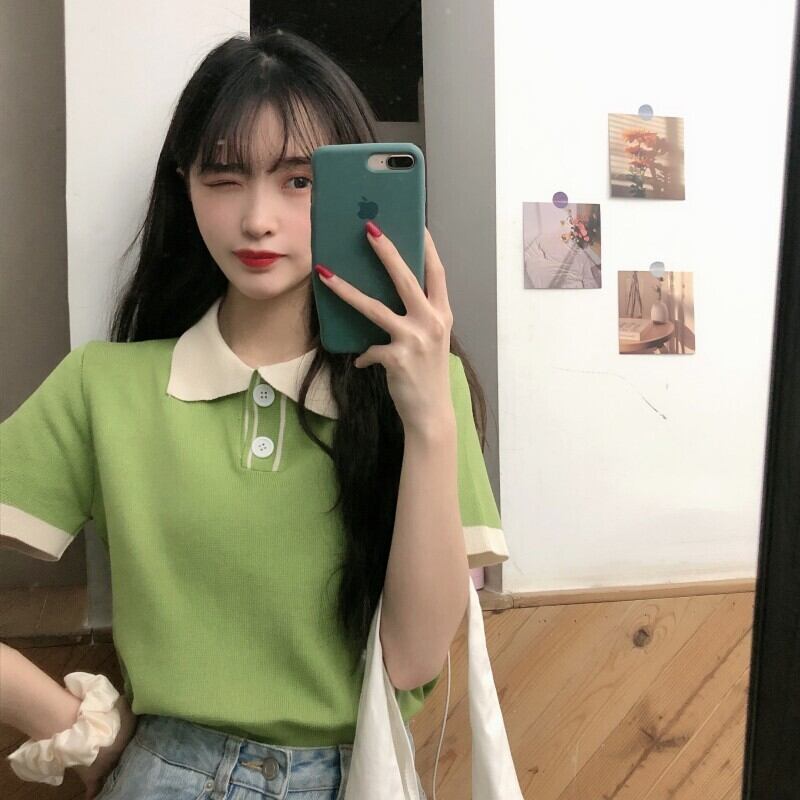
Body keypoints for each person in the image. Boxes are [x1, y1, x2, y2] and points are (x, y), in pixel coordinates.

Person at [0, 27, 509, 799]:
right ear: (185, 186)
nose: (258, 219)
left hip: (356, 778)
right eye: (225, 177)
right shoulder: (103, 387)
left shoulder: (422, 394)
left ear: (349, 189)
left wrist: (430, 416)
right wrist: (68, 722)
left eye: (299, 180)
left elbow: (410, 661)